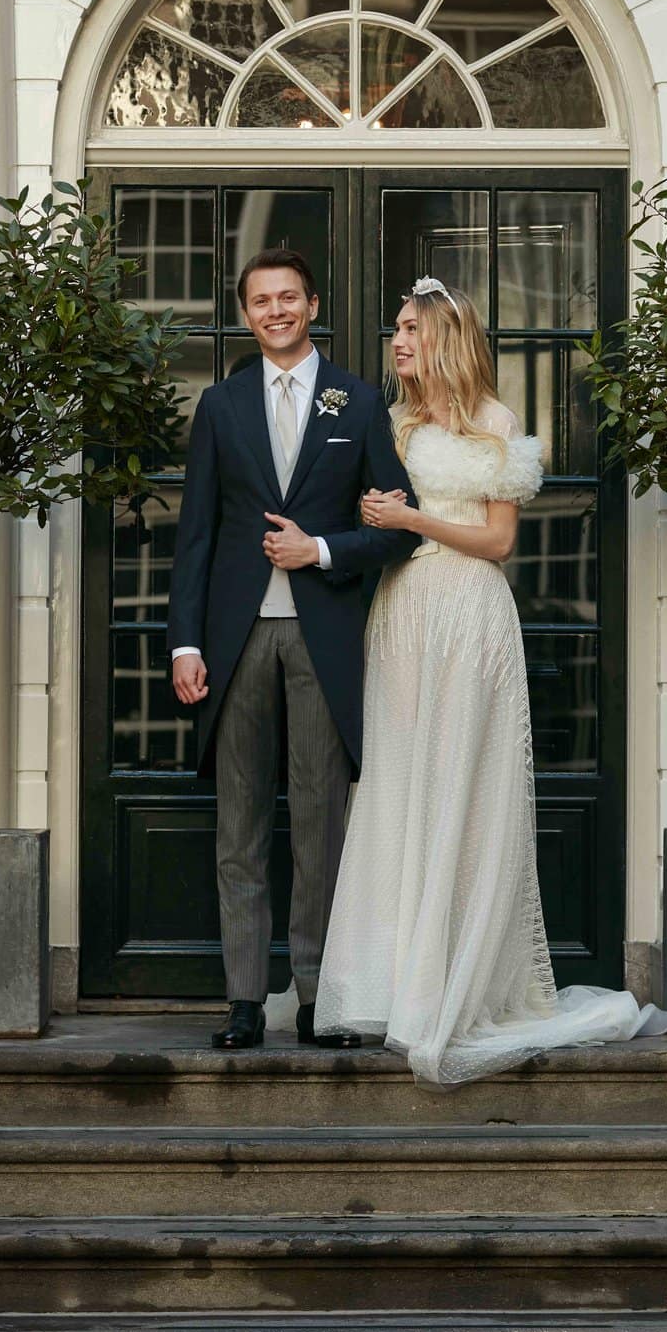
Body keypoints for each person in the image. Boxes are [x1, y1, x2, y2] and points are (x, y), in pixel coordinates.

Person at [314, 276, 667, 1084]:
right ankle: (391, 985)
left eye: (410, 329)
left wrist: (410, 521)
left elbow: (498, 541)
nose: (396, 341)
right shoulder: (390, 422)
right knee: (399, 784)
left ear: (446, 335)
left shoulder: (494, 425)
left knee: (462, 788)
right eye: (395, 328)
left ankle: (457, 983)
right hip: (401, 615)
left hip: (469, 613)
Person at [166, 248, 421, 1053]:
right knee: (237, 827)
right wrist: (183, 642)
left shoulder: (358, 400)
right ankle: (244, 1001)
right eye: (259, 301)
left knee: (321, 825)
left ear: (311, 304)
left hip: (324, 635)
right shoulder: (220, 405)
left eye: (287, 297)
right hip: (233, 639)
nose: (274, 311)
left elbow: (399, 527)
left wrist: (320, 551)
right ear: (247, 314)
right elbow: (196, 536)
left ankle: (319, 998)